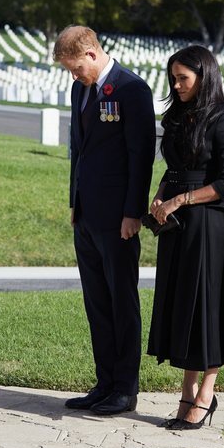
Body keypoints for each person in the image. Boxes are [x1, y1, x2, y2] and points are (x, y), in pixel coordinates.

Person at [147, 45, 224, 430]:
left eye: (183, 79)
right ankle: (186, 389)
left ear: (204, 76)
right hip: (177, 229)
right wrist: (161, 194)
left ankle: (205, 395)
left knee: (207, 312)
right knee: (184, 310)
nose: (176, 86)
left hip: (210, 228)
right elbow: (174, 167)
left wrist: (180, 199)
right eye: (172, 79)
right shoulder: (177, 116)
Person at [54, 25, 156, 415]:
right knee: (96, 302)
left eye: (76, 67)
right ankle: (104, 382)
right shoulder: (81, 89)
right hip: (87, 215)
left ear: (92, 54)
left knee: (121, 301)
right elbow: (79, 151)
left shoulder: (132, 90)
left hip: (118, 218)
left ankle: (125, 389)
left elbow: (140, 156)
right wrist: (74, 203)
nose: (74, 76)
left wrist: (133, 213)